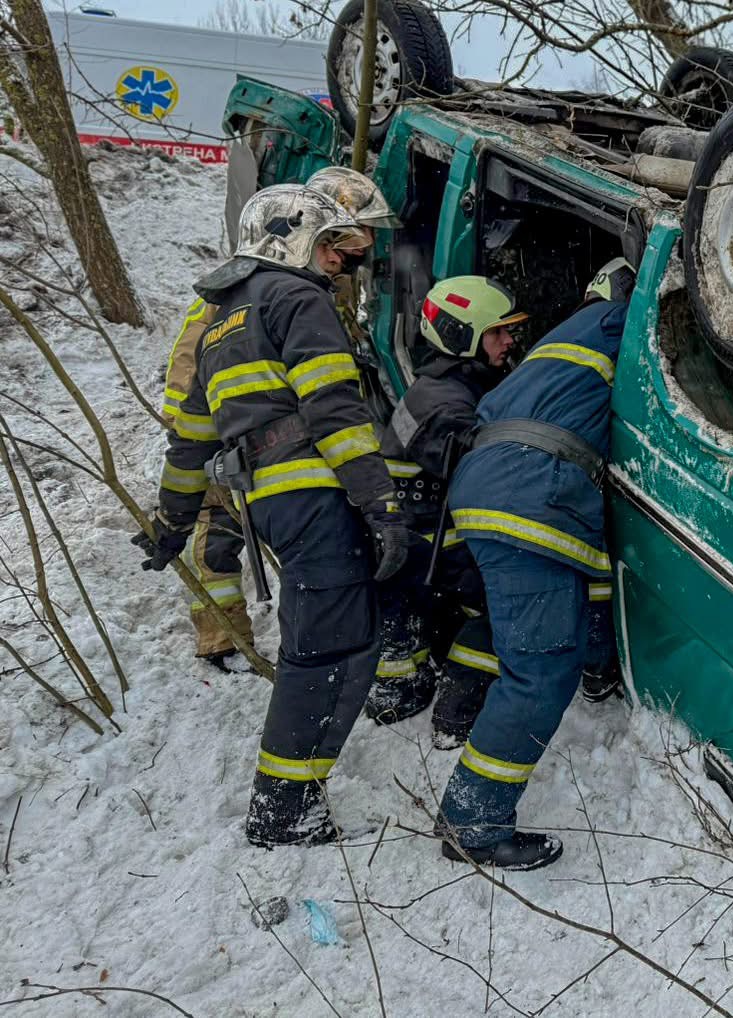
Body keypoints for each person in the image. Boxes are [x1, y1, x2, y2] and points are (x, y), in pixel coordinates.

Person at [133, 183, 413, 847]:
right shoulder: (296, 297)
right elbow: (334, 411)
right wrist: (382, 502)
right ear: (289, 240)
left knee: (321, 636)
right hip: (316, 494)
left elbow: (190, 441)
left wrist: (172, 524)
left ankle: (287, 801)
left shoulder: (221, 324)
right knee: (331, 648)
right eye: (327, 245)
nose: (339, 260)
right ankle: (283, 811)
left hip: (269, 505)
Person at [435, 256, 635, 870]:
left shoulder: (557, 350)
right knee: (540, 669)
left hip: (493, 487)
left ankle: (465, 746)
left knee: (537, 629)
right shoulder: (610, 322)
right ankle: (472, 821)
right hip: (528, 494)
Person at [157, 166, 401, 671]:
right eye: (348, 238)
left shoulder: (302, 284)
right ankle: (221, 639)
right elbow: (198, 374)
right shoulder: (258, 291)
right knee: (219, 527)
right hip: (222, 426)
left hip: (247, 431)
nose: (355, 252)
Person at [365, 276, 525, 729]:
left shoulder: (447, 385)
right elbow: (489, 471)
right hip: (424, 538)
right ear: (462, 336)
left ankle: (412, 678)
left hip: (423, 531)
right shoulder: (443, 406)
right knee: (508, 601)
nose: (508, 341)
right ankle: (457, 712)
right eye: (497, 332)